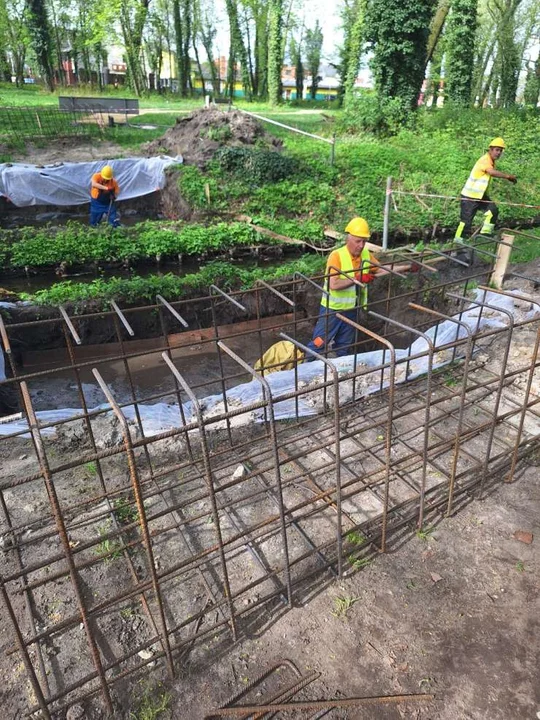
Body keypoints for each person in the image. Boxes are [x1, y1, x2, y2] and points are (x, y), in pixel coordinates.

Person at [307, 217, 411, 358]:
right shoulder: (336, 256)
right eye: (358, 241)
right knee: (319, 343)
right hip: (332, 310)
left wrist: (406, 267)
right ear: (348, 239)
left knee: (344, 346)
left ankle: (341, 373)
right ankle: (305, 370)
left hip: (351, 309)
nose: (361, 245)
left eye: (364, 241)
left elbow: (380, 269)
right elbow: (334, 284)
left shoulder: (365, 255)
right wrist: (357, 279)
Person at [454, 137, 517, 241]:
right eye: (497, 150)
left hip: (480, 195)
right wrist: (508, 176)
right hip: (470, 196)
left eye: (500, 151)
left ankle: (485, 234)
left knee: (493, 211)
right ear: (490, 149)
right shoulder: (485, 159)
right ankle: (458, 241)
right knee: (466, 221)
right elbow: (491, 172)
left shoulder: (491, 161)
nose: (499, 153)